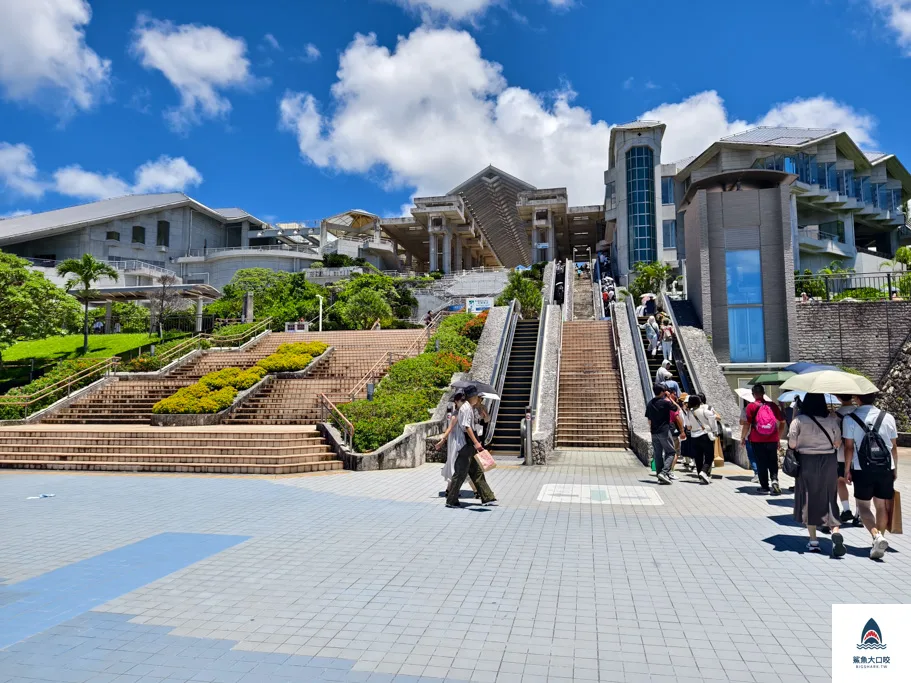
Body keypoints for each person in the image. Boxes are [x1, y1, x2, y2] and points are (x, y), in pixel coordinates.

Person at [843, 393, 899, 560]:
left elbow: (849, 448)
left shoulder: (849, 419)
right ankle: (879, 540)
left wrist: (847, 469)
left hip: (862, 468)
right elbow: (894, 447)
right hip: (885, 468)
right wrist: (894, 469)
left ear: (858, 399)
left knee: (863, 506)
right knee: (881, 506)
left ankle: (876, 537)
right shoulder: (888, 417)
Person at [788, 393, 845, 556]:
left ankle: (813, 541)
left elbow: (792, 444)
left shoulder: (798, 420)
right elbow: (837, 443)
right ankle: (835, 531)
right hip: (829, 461)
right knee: (829, 496)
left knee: (808, 497)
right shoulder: (831, 420)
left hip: (807, 461)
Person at [445, 386, 497, 508]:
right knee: (460, 473)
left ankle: (487, 497)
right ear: (472, 396)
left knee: (476, 471)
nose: (478, 399)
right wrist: (477, 443)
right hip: (465, 445)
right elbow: (467, 427)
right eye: (476, 396)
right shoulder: (466, 408)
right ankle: (451, 500)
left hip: (469, 444)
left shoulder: (468, 407)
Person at [741, 384, 786, 495]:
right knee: (772, 461)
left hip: (757, 439)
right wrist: (778, 437)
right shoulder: (772, 405)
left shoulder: (751, 407)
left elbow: (747, 424)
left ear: (753, 394)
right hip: (772, 439)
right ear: (763, 393)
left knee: (761, 462)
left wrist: (743, 437)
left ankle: (764, 487)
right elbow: (783, 421)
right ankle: (775, 480)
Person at [646, 383, 685, 485]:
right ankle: (664, 473)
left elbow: (649, 420)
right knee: (671, 452)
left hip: (654, 432)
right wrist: (669, 397)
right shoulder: (665, 403)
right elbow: (677, 408)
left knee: (658, 454)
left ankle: (660, 476)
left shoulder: (650, 403)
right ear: (663, 392)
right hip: (664, 431)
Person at [435, 393, 467, 496]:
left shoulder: (461, 412)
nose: (462, 403)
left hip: (458, 440)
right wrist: (442, 440)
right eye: (460, 401)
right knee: (455, 463)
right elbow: (450, 428)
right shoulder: (456, 414)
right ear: (456, 402)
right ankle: (452, 489)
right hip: (456, 441)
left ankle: (449, 489)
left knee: (454, 462)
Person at [834, 395, 859, 525]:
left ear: (838, 398)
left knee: (840, 481)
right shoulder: (858, 412)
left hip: (841, 455)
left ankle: (846, 509)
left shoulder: (836, 415)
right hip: (859, 455)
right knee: (859, 484)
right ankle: (859, 515)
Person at [685, 395, 717, 484]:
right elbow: (713, 422)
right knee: (709, 456)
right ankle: (704, 471)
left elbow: (688, 427)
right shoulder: (705, 410)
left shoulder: (689, 413)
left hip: (694, 436)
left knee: (698, 457)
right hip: (705, 435)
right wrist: (714, 431)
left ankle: (700, 475)